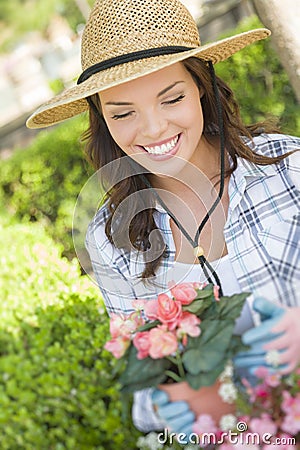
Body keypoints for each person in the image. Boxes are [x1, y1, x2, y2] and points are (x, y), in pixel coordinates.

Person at [27, 0, 300, 438]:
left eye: (171, 98)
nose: (153, 130)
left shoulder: (290, 171)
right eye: (122, 113)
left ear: (202, 87)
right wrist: (168, 409)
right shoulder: (108, 238)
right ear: (101, 119)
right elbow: (145, 390)